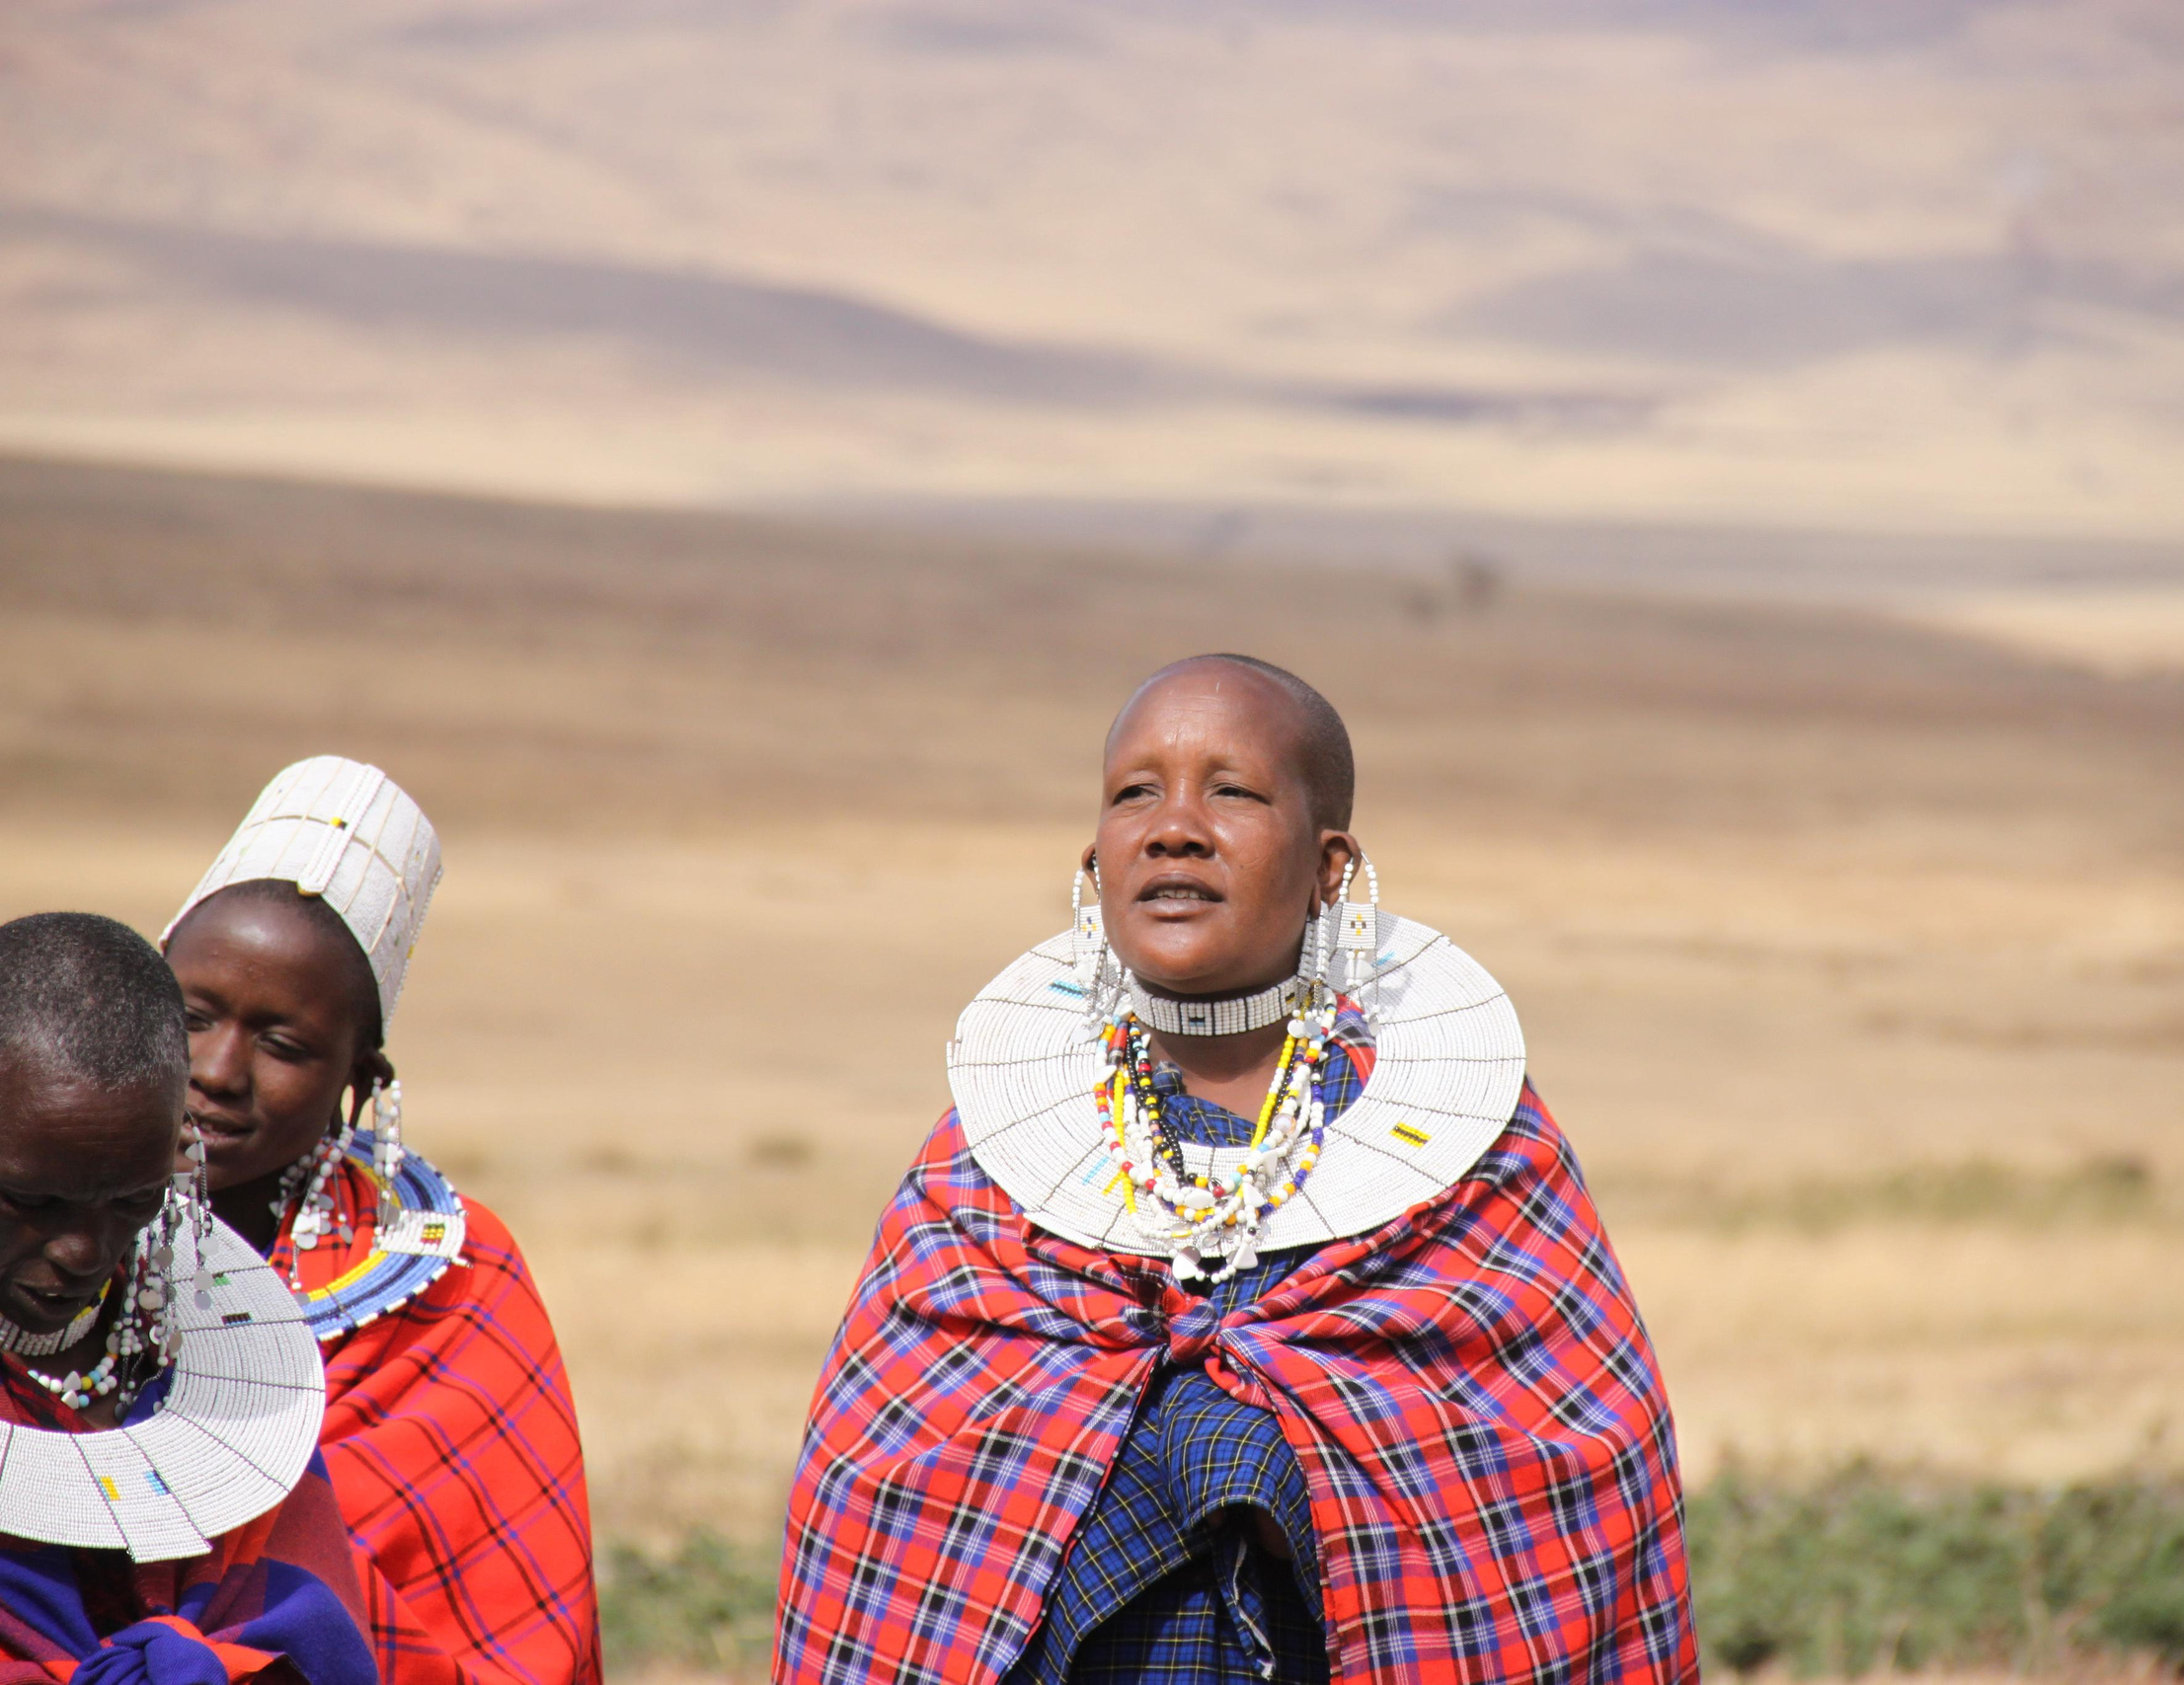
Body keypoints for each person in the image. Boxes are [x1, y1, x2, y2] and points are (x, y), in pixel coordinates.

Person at [778, 656, 1696, 1685]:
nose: (1174, 826)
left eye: (1232, 791)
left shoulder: (1469, 1151)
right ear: (1095, 858)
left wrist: (1243, 1449)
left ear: (1328, 868)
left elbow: (1562, 1468)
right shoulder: (987, 1160)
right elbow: (887, 1485)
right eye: (1136, 793)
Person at [160, 759, 600, 1685]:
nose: (219, 1070)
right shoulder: (43, 1222)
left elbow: (510, 1629)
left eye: (284, 1044)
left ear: (359, 1082)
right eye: (191, 1016)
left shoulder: (455, 1278)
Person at [1, 911, 377, 1685]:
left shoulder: (220, 1381)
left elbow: (310, 1634)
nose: (83, 1252)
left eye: (134, 1201)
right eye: (32, 1201)